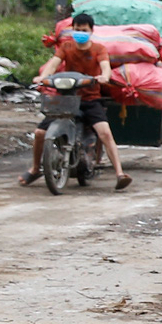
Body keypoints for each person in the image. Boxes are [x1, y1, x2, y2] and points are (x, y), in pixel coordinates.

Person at [22, 12, 131, 191]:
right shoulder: (66, 47)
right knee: (40, 133)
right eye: (77, 29)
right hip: (67, 98)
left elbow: (106, 68)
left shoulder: (98, 49)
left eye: (84, 30)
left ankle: (120, 173)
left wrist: (104, 76)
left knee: (105, 132)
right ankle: (35, 169)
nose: (80, 33)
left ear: (91, 31)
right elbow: (53, 63)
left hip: (90, 99)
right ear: (72, 30)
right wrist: (42, 76)